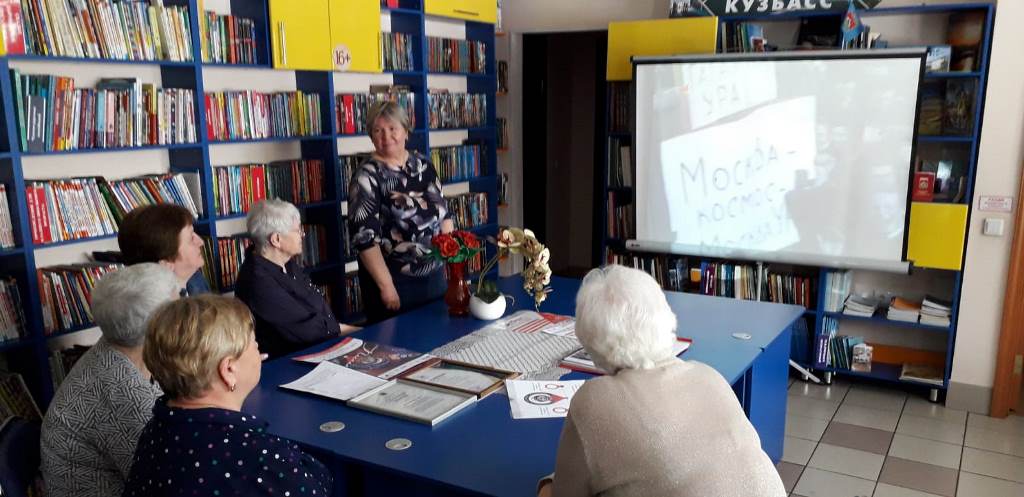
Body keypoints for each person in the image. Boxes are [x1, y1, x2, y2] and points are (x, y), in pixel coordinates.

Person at [543, 265, 786, 497]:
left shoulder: (594, 401)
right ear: (665, 314)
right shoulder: (708, 375)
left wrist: (546, 484)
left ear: (588, 336)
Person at [123, 295, 332, 497]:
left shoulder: (156, 428)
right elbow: (317, 485)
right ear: (229, 370)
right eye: (253, 342)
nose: (258, 349)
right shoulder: (252, 454)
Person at [40, 264, 180, 497]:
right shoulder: (126, 395)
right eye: (178, 309)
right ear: (157, 328)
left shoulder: (113, 348)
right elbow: (170, 482)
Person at [348, 100, 455, 323]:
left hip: (434, 276)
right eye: (378, 130)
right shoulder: (366, 176)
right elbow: (364, 240)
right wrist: (386, 287)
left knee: (441, 334)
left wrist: (454, 264)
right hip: (395, 282)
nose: (386, 136)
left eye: (392, 128)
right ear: (371, 136)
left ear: (406, 131)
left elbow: (444, 215)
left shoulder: (424, 164)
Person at [234, 199, 344, 358]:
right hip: (288, 361)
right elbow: (307, 330)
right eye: (298, 230)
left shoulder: (287, 263)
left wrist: (339, 328)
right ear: (276, 240)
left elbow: (319, 305)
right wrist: (342, 329)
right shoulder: (257, 281)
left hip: (319, 347)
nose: (303, 235)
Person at [118, 204, 209, 296]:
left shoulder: (193, 278)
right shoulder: (152, 303)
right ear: (165, 264)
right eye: (191, 238)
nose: (201, 242)